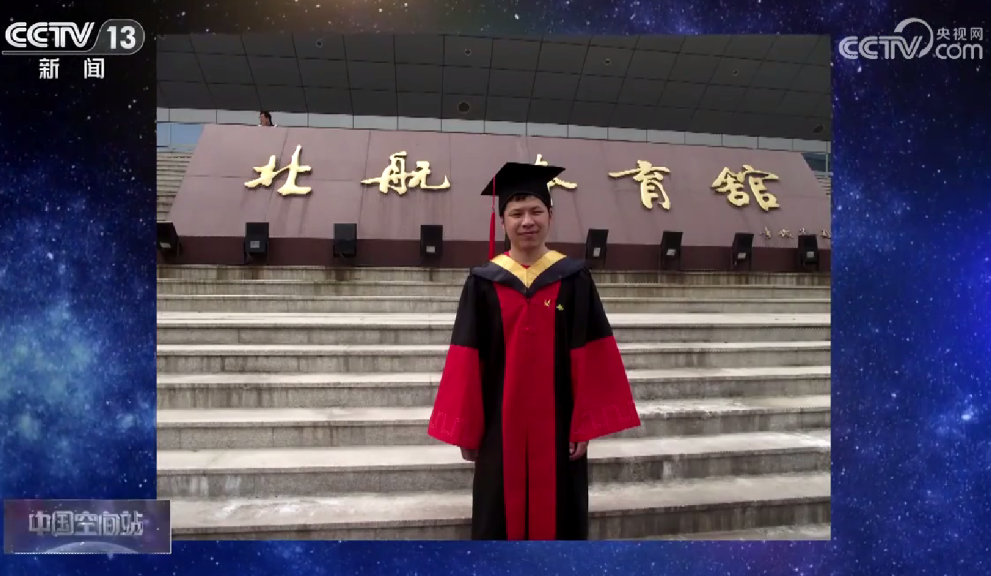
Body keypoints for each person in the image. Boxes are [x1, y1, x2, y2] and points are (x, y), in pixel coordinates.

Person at [427, 162, 641, 540]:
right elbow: (466, 358)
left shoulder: (573, 278)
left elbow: (593, 352)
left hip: (559, 426)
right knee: (498, 515)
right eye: (517, 213)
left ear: (550, 216)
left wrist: (584, 424)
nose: (527, 221)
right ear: (503, 221)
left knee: (560, 518)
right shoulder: (482, 282)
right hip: (498, 426)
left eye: (536, 211)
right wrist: (466, 430)